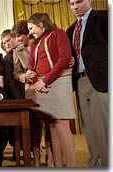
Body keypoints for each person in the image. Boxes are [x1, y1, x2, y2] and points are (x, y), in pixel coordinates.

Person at [26, 13, 76, 167]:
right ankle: (59, 166)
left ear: (41, 24)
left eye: (31, 28)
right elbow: (30, 68)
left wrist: (45, 80)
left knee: (62, 124)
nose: (30, 32)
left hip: (60, 81)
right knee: (51, 126)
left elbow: (64, 58)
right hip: (41, 85)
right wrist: (36, 81)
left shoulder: (58, 34)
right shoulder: (34, 43)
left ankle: (72, 166)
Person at [66, 0, 108, 167]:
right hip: (80, 81)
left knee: (104, 127)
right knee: (89, 128)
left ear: (89, 1)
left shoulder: (103, 18)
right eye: (71, 4)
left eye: (78, 2)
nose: (75, 7)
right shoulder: (70, 30)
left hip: (101, 79)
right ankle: (95, 163)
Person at [12, 20, 53, 167]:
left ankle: (51, 158)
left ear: (26, 34)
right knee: (34, 127)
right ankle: (36, 161)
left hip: (48, 88)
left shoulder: (41, 44)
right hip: (30, 92)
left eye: (19, 37)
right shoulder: (17, 52)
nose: (17, 41)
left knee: (50, 125)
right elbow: (17, 73)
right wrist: (25, 77)